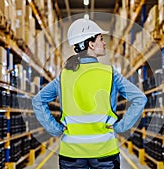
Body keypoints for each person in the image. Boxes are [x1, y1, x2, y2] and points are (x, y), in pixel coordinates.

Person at [32, 18, 147, 169]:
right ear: (91, 44)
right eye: (101, 39)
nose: (104, 43)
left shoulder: (64, 76)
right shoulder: (110, 73)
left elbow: (37, 101)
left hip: (71, 154)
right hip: (105, 152)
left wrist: (56, 129)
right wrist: (120, 127)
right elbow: (140, 98)